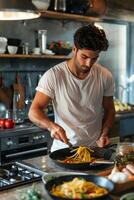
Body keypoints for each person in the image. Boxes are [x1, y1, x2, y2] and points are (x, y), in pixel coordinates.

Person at [28, 24, 115, 152]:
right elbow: (33, 111)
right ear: (74, 49)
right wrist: (52, 126)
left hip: (94, 151)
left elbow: (110, 110)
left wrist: (104, 133)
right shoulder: (54, 76)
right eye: (84, 57)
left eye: (94, 58)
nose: (88, 64)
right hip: (63, 150)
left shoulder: (104, 75)